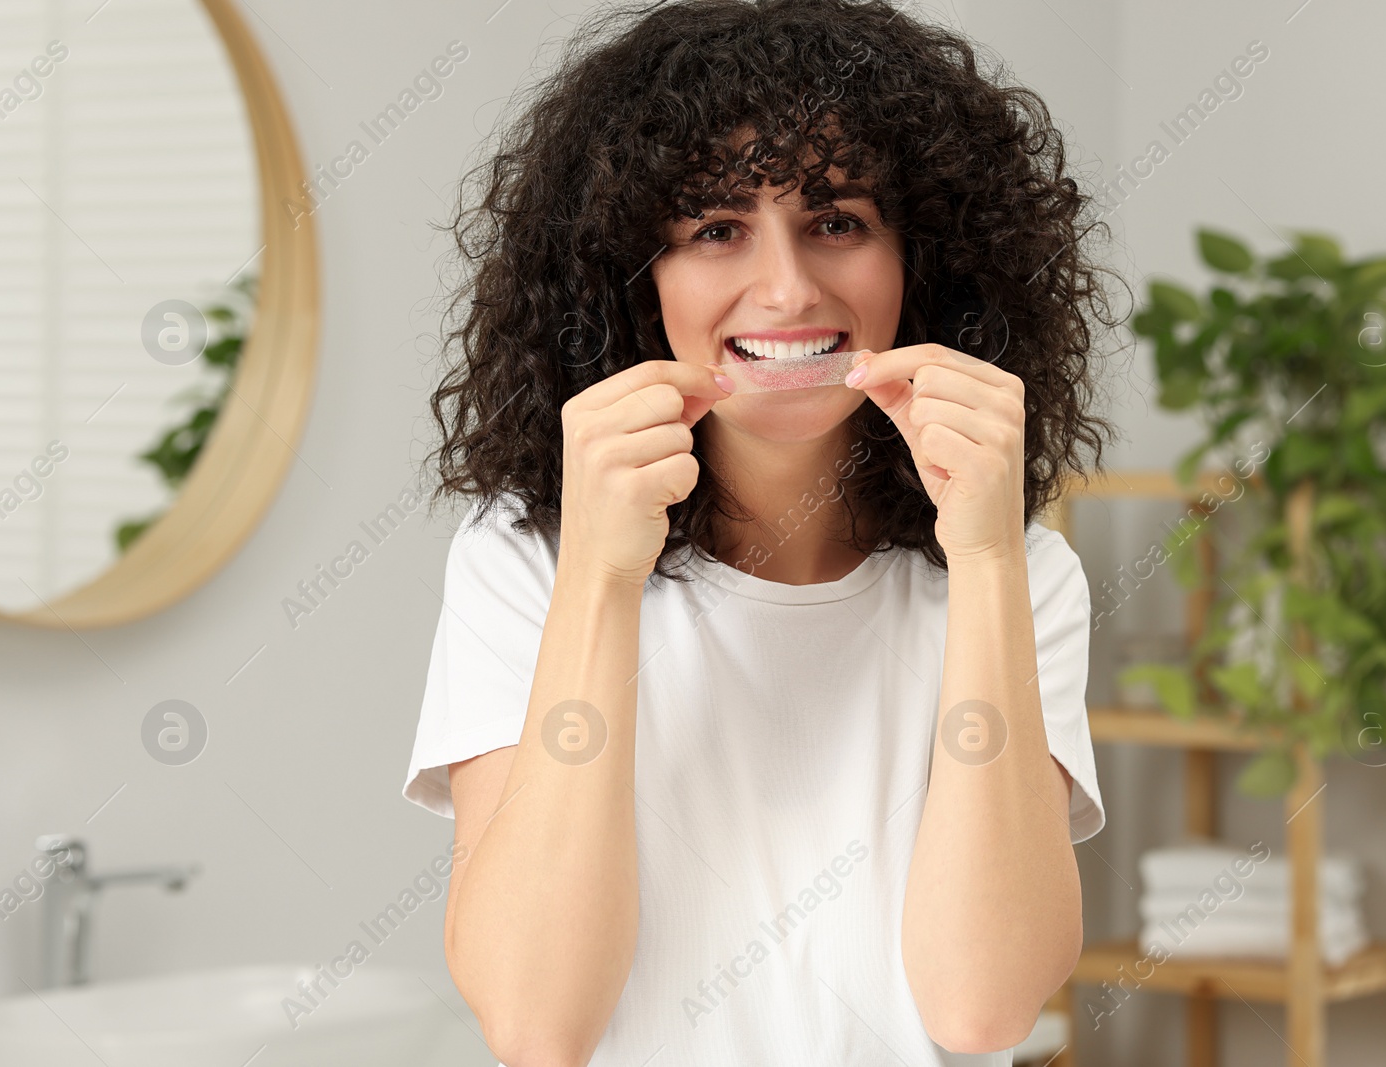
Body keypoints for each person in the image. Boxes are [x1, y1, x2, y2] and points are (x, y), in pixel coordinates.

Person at [403, 1, 1120, 1063]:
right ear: (631, 279)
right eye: (714, 228)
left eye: (837, 220)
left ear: (921, 261)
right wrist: (600, 579)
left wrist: (984, 559)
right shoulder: (524, 562)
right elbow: (536, 1020)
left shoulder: (1020, 575)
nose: (786, 287)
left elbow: (981, 1009)